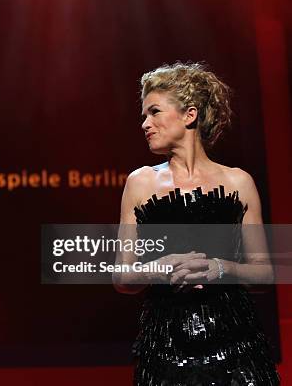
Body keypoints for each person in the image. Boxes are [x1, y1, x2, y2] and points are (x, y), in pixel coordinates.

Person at [113, 62, 280, 385]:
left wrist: (220, 268)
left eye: (154, 112)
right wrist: (159, 268)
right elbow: (122, 276)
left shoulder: (238, 182)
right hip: (165, 347)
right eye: (144, 116)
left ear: (189, 115)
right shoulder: (141, 183)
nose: (145, 123)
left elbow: (264, 272)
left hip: (237, 344)